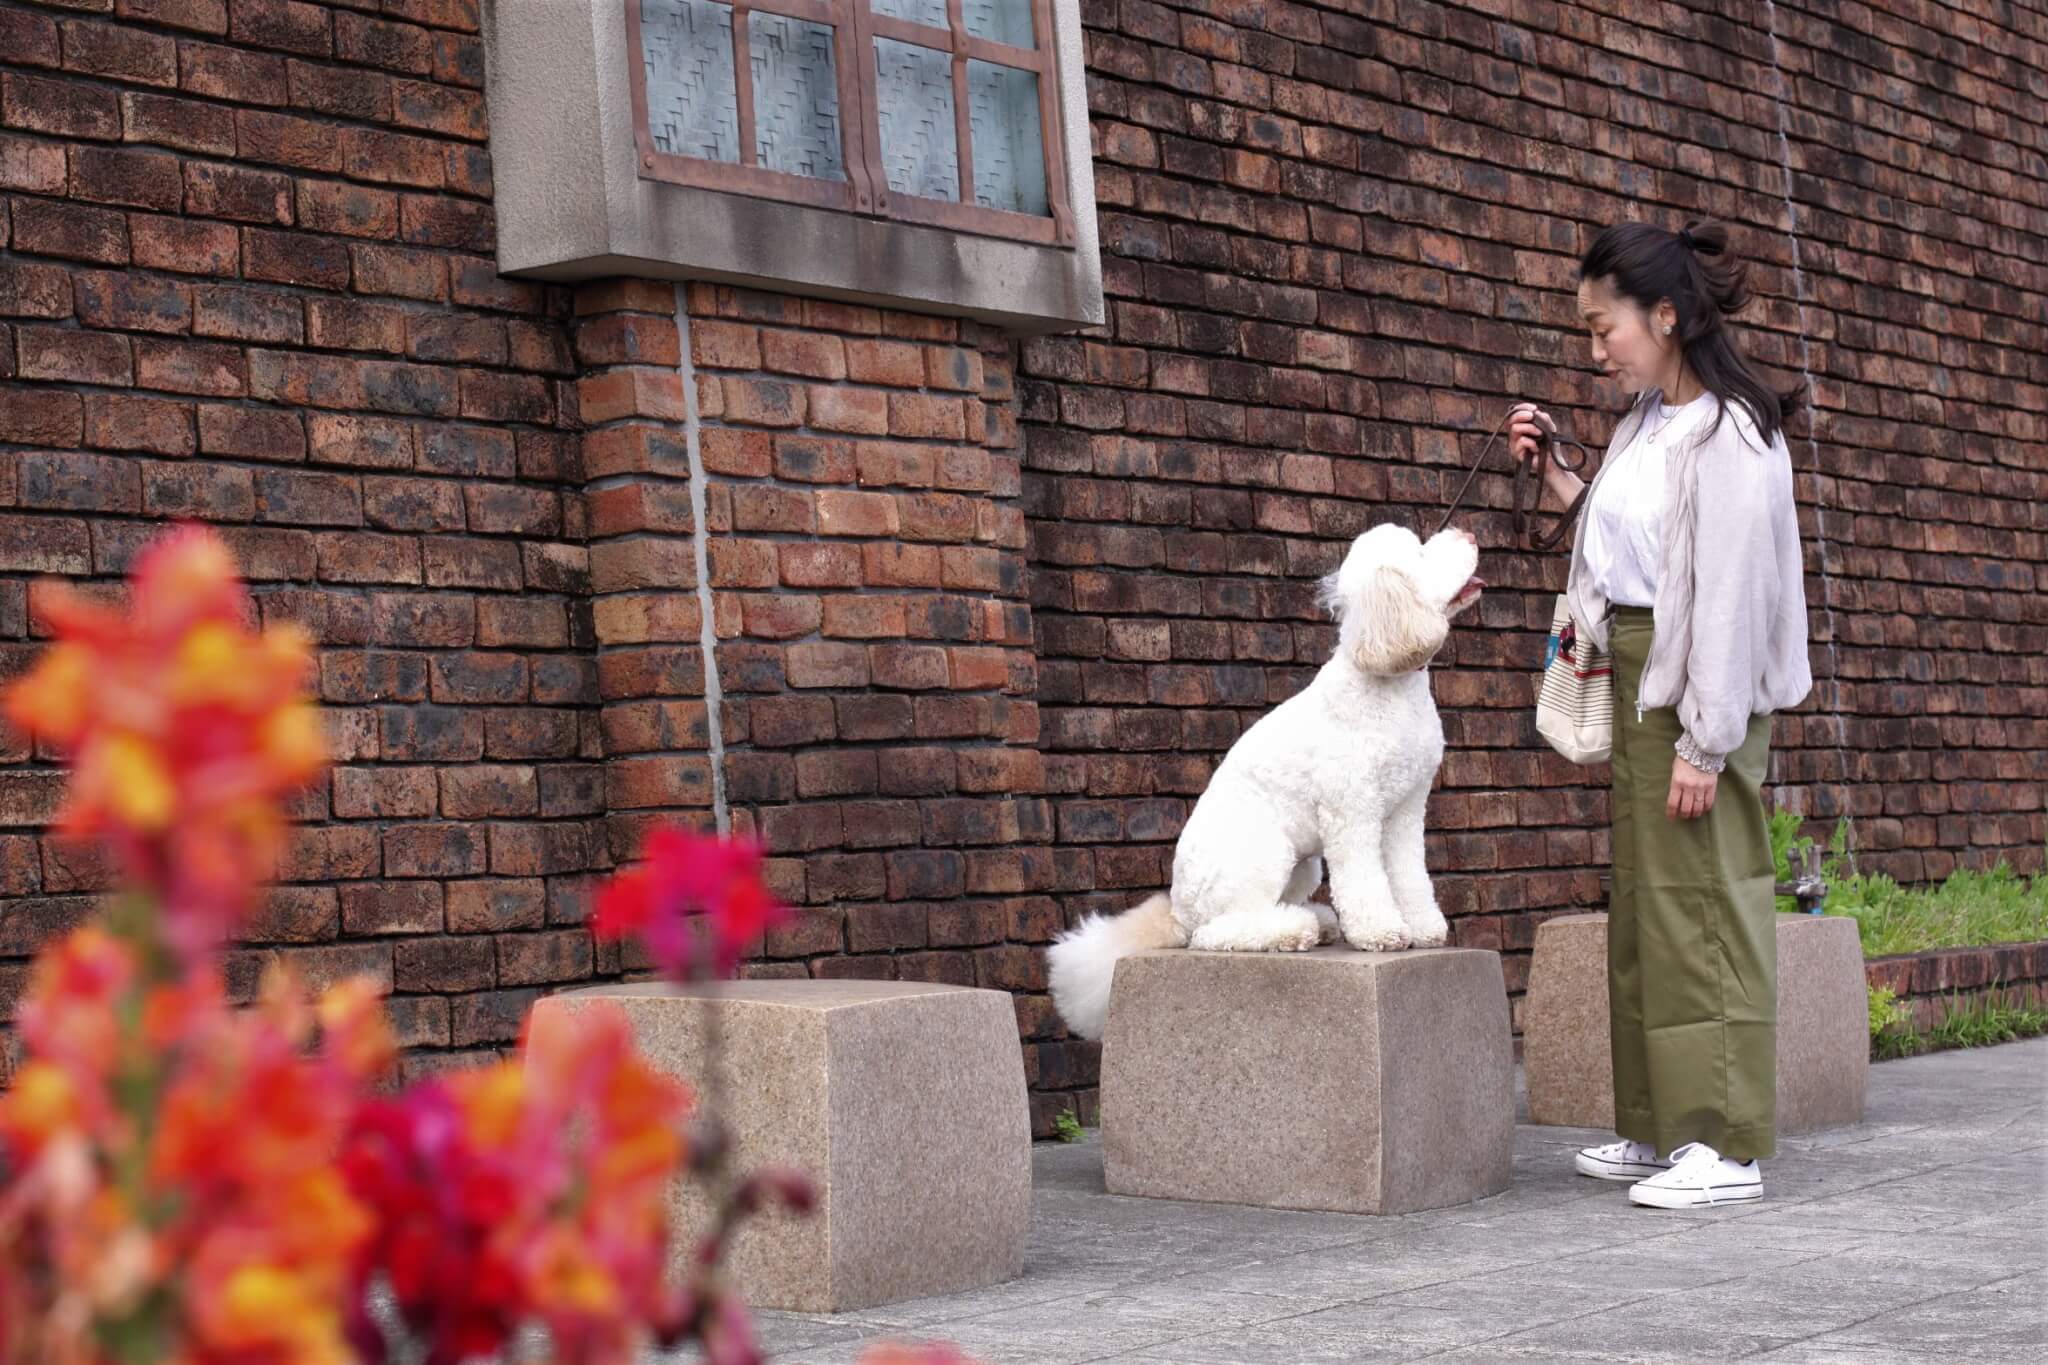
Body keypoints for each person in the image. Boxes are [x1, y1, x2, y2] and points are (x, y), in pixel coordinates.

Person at [1510, 218, 1813, 1209]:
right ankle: (1657, 1126)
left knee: (1705, 911)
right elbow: (1619, 546)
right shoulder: (1645, 423)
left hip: (1693, 688)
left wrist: (1704, 737)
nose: (1596, 351)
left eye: (1606, 330)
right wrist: (1553, 469)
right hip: (1645, 673)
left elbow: (1729, 596)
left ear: (1666, 316)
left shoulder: (1727, 433)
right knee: (1647, 913)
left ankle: (1721, 1144)